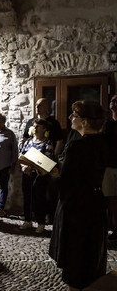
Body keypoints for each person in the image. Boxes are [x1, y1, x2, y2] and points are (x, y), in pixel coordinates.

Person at [49, 100, 108, 291]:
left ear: (85, 122)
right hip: (95, 203)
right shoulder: (104, 142)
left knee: (75, 259)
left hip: (76, 210)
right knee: (91, 257)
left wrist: (51, 173)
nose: (69, 118)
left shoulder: (78, 147)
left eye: (74, 115)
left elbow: (66, 182)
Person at [19, 118, 54, 233]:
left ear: (44, 129)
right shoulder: (29, 141)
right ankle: (28, 220)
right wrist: (24, 167)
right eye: (34, 126)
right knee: (27, 197)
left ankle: (40, 222)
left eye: (37, 126)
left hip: (40, 176)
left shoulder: (47, 143)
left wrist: (33, 166)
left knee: (39, 198)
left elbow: (47, 160)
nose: (35, 128)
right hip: (27, 174)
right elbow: (22, 155)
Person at [103, 94, 117, 240]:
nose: (113, 103)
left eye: (116, 101)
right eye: (112, 101)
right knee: (110, 199)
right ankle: (112, 226)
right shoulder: (107, 125)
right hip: (109, 166)